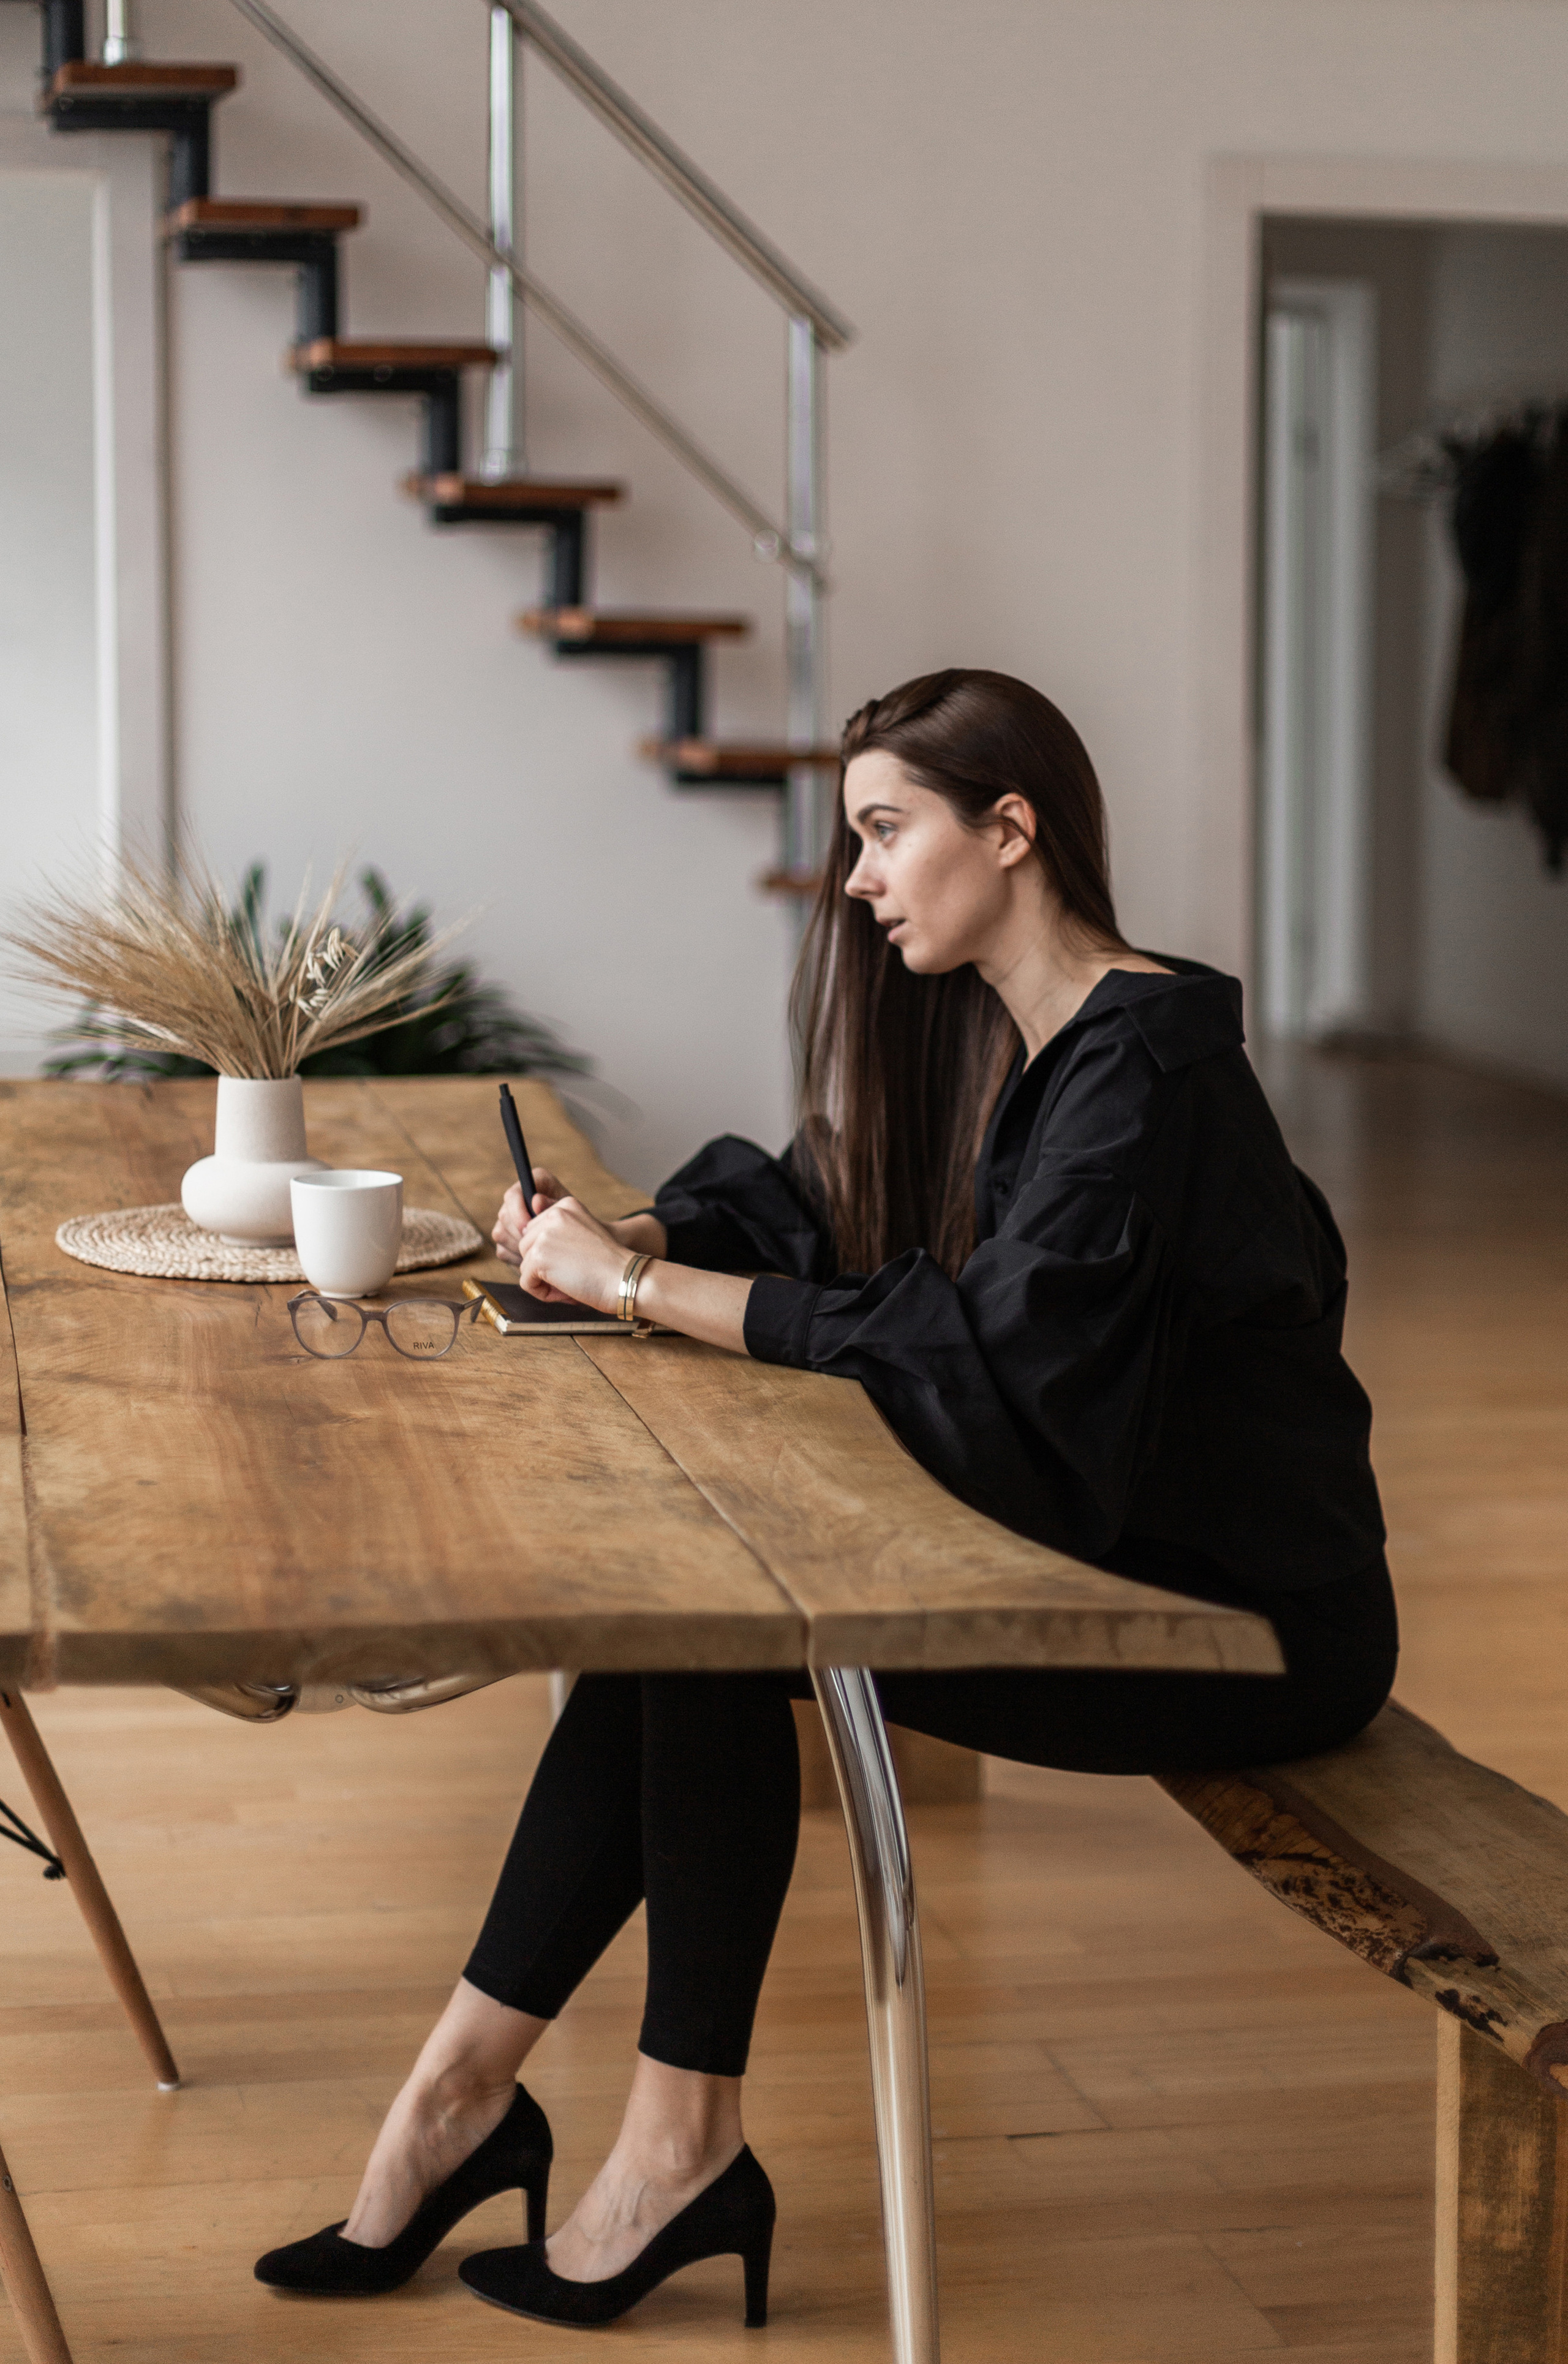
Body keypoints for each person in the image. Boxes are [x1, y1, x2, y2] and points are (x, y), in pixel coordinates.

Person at [255, 668, 1393, 2328]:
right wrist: (640, 1240)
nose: (855, 879)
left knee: (718, 1620)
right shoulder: (1025, 1038)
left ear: (1012, 833)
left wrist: (634, 1298)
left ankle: (659, 2140)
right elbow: (823, 1201)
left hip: (1239, 1624)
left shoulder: (1142, 1074)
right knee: (685, 1607)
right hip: (1119, 1549)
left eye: (884, 831)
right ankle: (471, 2098)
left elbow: (985, 1370)